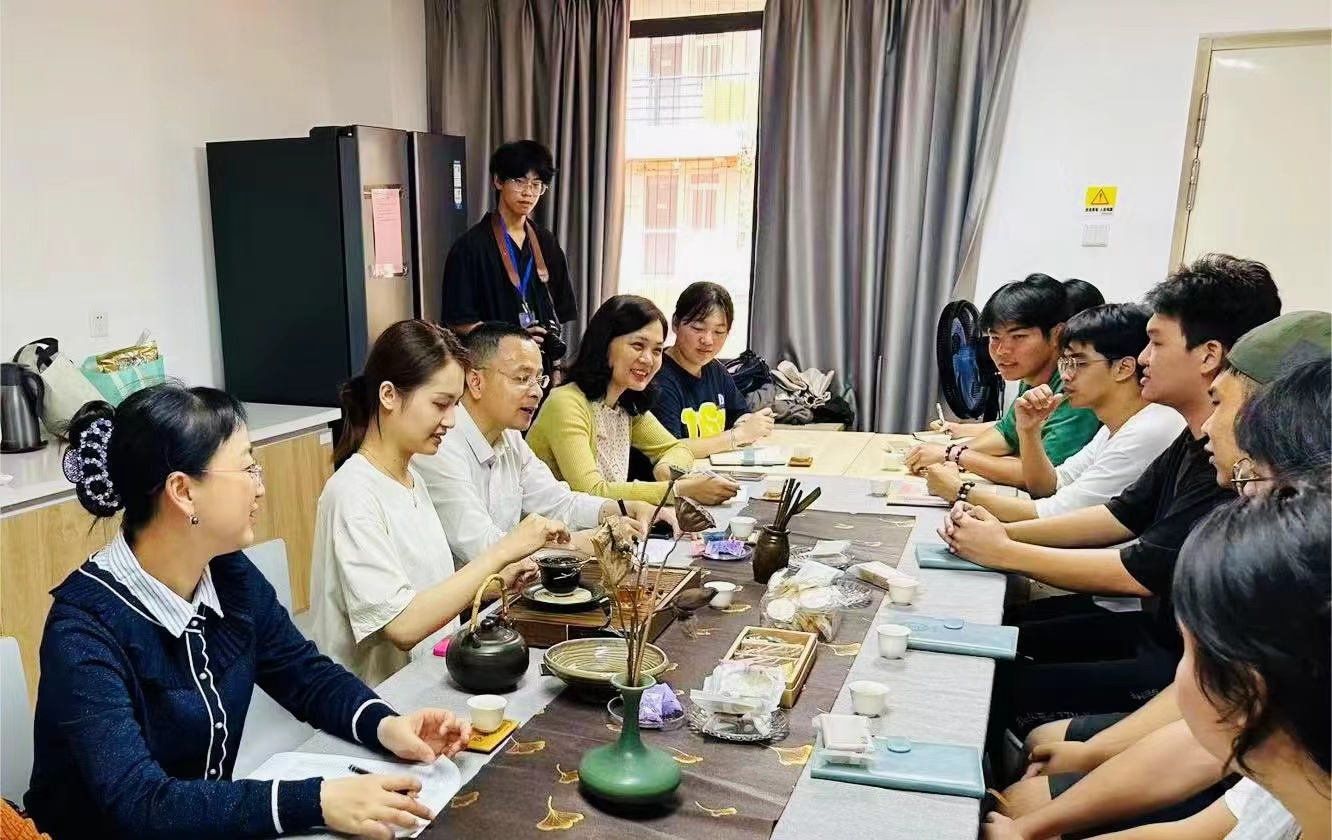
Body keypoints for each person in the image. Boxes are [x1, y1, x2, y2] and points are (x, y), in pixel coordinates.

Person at [26, 385, 473, 839]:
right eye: (247, 468)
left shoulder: (225, 573)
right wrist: (315, 800)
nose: (260, 486)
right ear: (183, 491)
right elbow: (141, 804)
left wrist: (386, 725)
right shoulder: (84, 631)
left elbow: (305, 675)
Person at [985, 325, 1331, 840]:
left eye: (1221, 402)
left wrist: (1003, 546)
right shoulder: (1289, 753)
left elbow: (1204, 732)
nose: (1209, 425)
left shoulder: (1279, 560)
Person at [942, 253, 1281, 730]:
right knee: (989, 640)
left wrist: (1003, 549)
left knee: (992, 684)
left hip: (1183, 667)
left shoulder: (1230, 461)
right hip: (1157, 636)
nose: (1142, 360)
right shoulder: (1192, 434)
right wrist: (1000, 534)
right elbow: (1121, 515)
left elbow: (1139, 571)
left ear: (1208, 355)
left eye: (1155, 343)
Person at [986, 482, 1330, 840]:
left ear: (1246, 692)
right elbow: (1195, 829)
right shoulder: (1296, 771)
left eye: (1192, 652)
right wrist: (1027, 830)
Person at [309, 320, 561, 686]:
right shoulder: (352, 493)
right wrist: (503, 552)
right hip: (371, 699)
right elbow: (403, 625)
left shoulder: (413, 479)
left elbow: (427, 592)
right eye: (440, 404)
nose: (451, 421)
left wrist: (496, 582)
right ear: (389, 395)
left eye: (455, 405)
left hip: (425, 679)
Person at [414, 322, 678, 564]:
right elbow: (482, 546)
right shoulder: (441, 444)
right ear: (475, 381)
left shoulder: (509, 436)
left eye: (539, 379)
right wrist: (581, 542)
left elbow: (559, 502)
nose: (537, 391)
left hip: (508, 585)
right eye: (522, 378)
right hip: (468, 596)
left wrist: (624, 507)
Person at [924, 304, 1185, 520]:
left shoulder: (1147, 430)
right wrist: (1028, 431)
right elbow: (1050, 486)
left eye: (1078, 363)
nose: (1066, 375)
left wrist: (959, 490)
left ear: (1124, 368)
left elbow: (1053, 513)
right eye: (1065, 362)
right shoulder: (1113, 426)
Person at [527, 295, 740, 505]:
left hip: (604, 524)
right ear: (604, 344)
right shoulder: (566, 403)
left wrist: (666, 469)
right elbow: (591, 492)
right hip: (549, 527)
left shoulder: (626, 402)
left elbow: (677, 449)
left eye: (657, 350)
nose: (648, 359)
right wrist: (676, 490)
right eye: (638, 346)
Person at [907, 273, 1102, 486]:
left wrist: (952, 454)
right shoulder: (1030, 374)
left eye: (1018, 337)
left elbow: (1040, 475)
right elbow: (1006, 435)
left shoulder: (1076, 386)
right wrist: (947, 451)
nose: (1002, 351)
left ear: (1057, 335)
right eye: (994, 337)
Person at [440, 140, 578, 379]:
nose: (528, 192)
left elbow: (559, 312)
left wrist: (556, 367)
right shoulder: (469, 247)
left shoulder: (546, 243)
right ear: (498, 181)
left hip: (540, 371)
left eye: (537, 184)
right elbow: (458, 323)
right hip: (491, 372)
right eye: (519, 181)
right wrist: (512, 338)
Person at [651, 282, 775, 456]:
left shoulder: (715, 369)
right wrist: (736, 436)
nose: (708, 340)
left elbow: (738, 413)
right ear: (675, 323)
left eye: (718, 332)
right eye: (698, 328)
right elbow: (670, 449)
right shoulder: (658, 377)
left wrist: (752, 423)